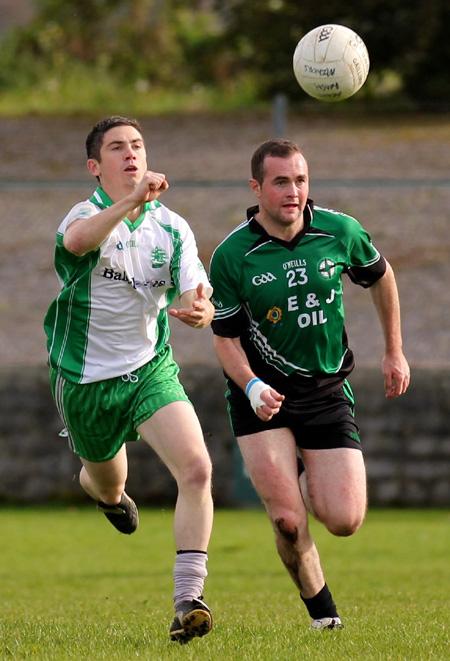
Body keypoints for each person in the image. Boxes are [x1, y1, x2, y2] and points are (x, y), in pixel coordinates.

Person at [208, 138, 410, 630]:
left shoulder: (340, 231)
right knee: (288, 520)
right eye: (280, 182)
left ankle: (303, 479)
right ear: (256, 188)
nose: (292, 191)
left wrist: (394, 349)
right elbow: (225, 340)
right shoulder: (233, 255)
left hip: (325, 393)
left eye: (300, 180)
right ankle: (324, 617)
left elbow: (381, 277)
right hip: (262, 400)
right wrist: (253, 387)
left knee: (343, 520)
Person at [44, 116, 215, 644]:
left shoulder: (173, 227)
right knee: (107, 480)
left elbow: (197, 295)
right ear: (97, 167)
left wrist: (201, 311)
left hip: (150, 369)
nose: (131, 154)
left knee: (197, 469)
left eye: (137, 145)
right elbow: (75, 244)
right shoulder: (87, 215)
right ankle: (107, 496)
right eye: (117, 148)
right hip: (86, 381)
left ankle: (188, 598)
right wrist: (130, 204)